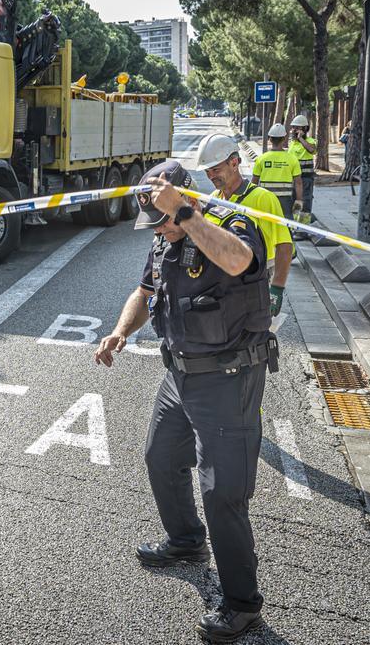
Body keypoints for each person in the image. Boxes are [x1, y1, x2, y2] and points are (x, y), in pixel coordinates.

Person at [94, 159, 275, 643]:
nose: (161, 231)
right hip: (180, 374)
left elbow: (239, 262)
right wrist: (119, 332)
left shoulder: (230, 226)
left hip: (229, 377)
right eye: (155, 221)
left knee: (223, 493)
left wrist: (189, 216)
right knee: (160, 456)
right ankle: (186, 540)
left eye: (165, 218)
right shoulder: (163, 237)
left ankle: (241, 603)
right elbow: (145, 289)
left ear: (185, 204)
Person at [197, 133, 294, 316]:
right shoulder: (212, 200)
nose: (210, 176)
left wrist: (277, 289)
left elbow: (285, 246)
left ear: (234, 163)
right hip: (221, 281)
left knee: (254, 336)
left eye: (215, 170)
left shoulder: (263, 198)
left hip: (256, 279)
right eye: (207, 171)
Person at [251, 123, 303, 222]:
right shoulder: (292, 159)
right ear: (284, 139)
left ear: (270, 139)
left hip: (265, 198)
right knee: (285, 223)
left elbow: (254, 181)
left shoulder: (261, 159)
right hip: (285, 200)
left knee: (265, 222)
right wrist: (299, 199)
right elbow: (298, 182)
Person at [288, 114, 318, 220]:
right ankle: (295, 225)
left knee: (305, 202)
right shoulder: (292, 143)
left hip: (305, 179)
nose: (294, 130)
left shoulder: (310, 141)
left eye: (297, 127)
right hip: (293, 179)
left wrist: (301, 138)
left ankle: (304, 229)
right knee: (295, 202)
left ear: (304, 129)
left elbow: (312, 150)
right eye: (293, 127)